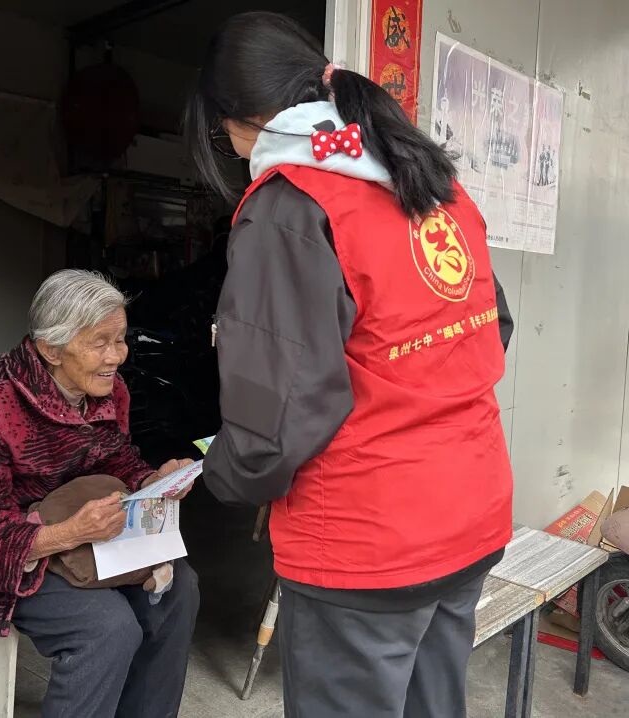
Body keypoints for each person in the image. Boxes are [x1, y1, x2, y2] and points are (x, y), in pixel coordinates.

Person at [188, 12, 514, 718]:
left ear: (236, 118)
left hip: (365, 540)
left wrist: (218, 476)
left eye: (219, 133)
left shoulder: (290, 205)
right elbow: (495, 326)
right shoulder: (430, 181)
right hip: (472, 509)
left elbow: (278, 414)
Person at [0, 269, 199, 718]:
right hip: (18, 558)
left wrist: (152, 481)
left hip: (85, 538)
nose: (116, 356)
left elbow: (117, 459)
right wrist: (69, 533)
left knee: (180, 589)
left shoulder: (107, 390)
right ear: (51, 349)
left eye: (120, 339)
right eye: (100, 342)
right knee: (107, 628)